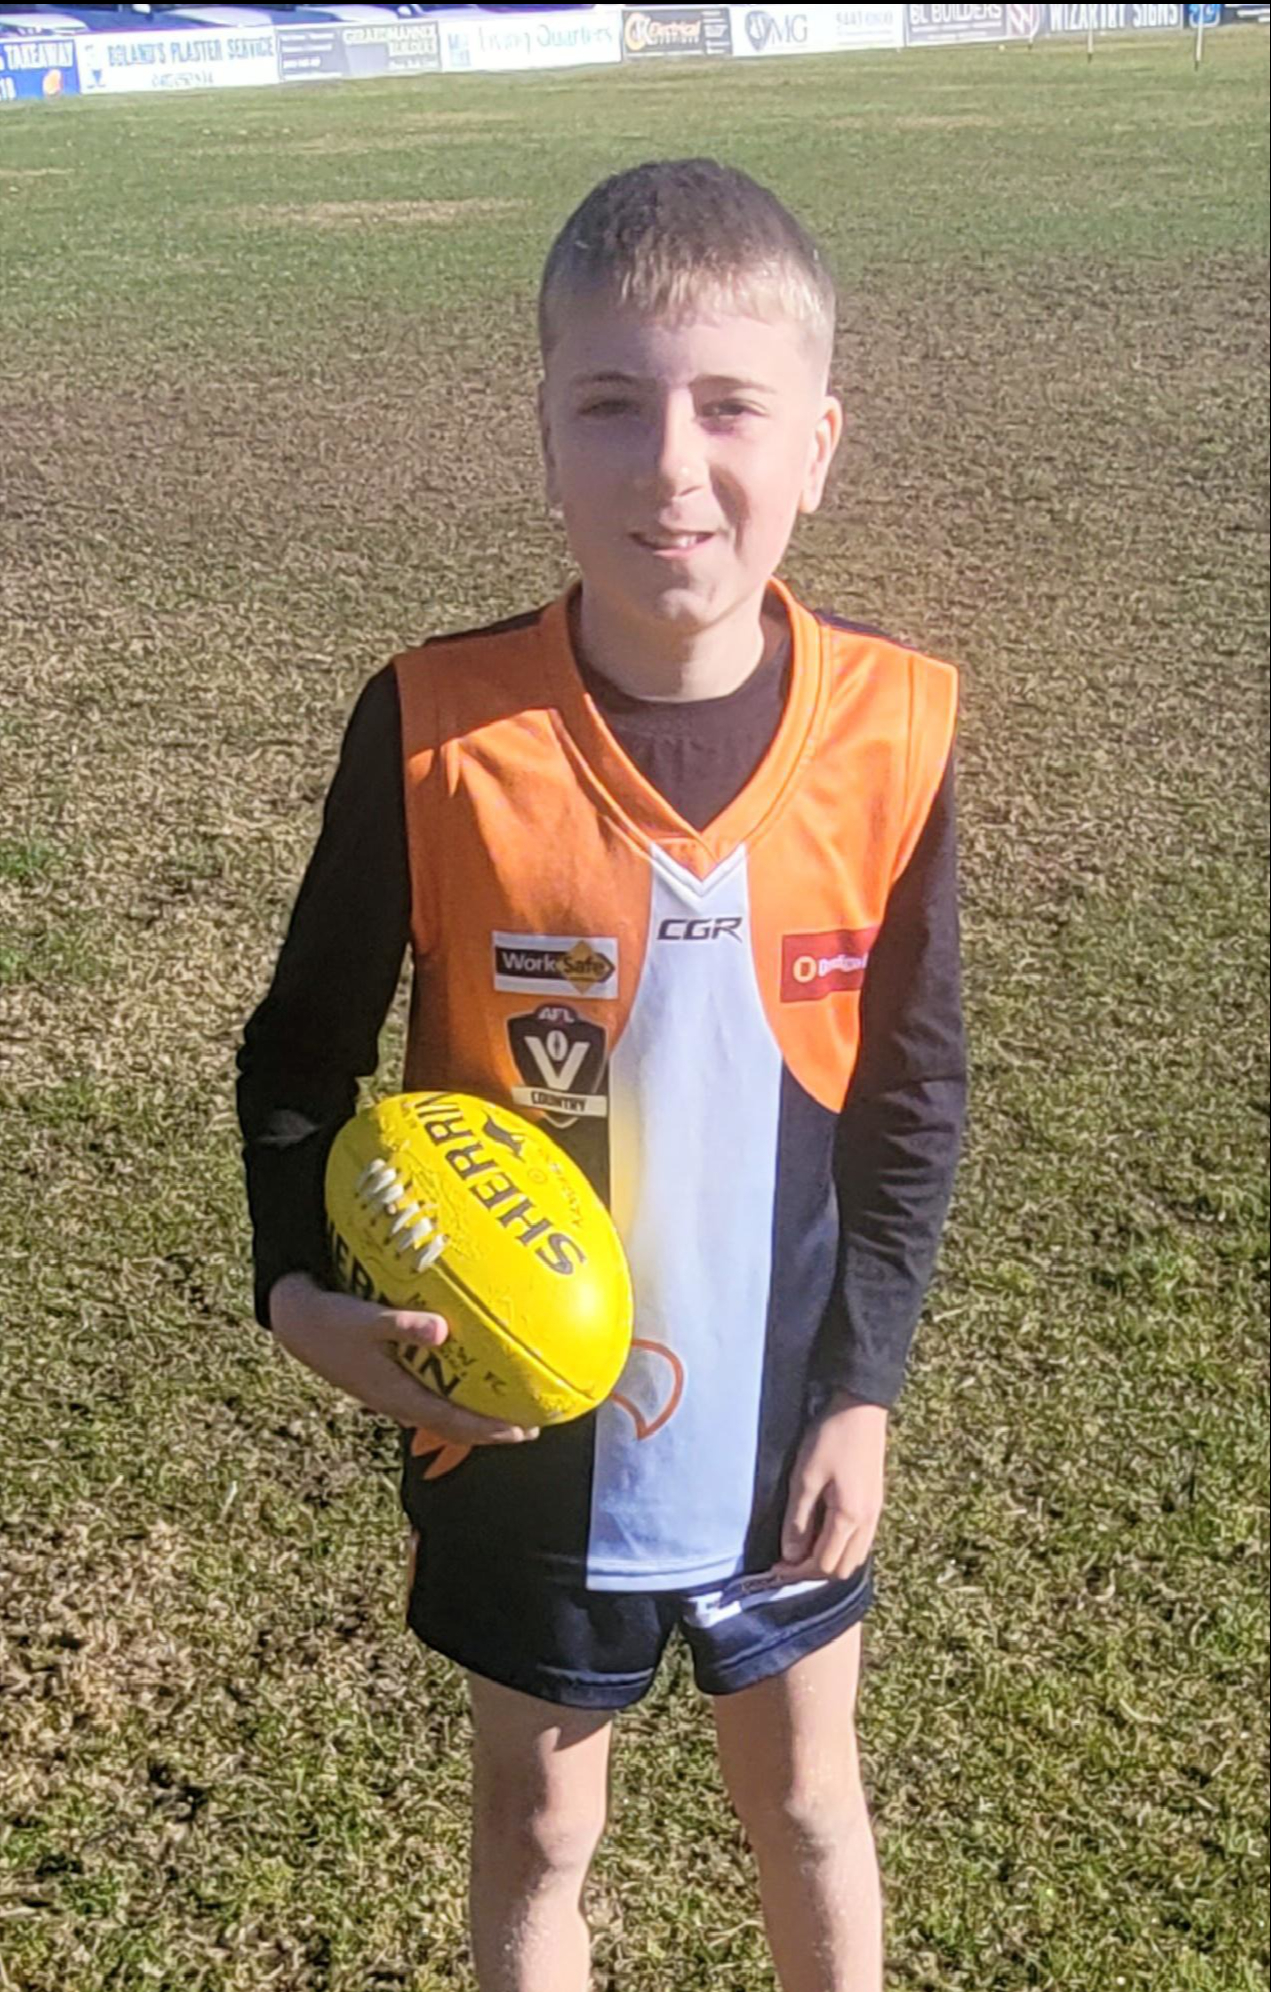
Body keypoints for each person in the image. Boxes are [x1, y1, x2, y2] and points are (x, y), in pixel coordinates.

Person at [237, 158, 965, 1992]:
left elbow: (911, 1097)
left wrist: (866, 1390)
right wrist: (297, 1291)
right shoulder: (437, 728)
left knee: (805, 1799)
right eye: (613, 405)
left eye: (732, 408)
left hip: (785, 1418)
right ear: (545, 435)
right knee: (541, 1821)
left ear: (819, 443)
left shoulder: (892, 728)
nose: (671, 467)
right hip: (517, 1417)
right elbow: (300, 1050)